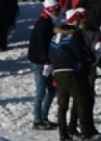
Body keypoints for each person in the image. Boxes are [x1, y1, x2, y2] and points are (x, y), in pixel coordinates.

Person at [51, 8, 99, 141]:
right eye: (78, 19)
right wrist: (90, 56)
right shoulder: (74, 34)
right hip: (70, 71)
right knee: (82, 99)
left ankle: (63, 132)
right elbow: (80, 53)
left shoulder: (57, 34)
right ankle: (85, 131)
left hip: (57, 71)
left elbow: (51, 51)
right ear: (74, 20)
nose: (81, 21)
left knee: (63, 103)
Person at [26, 0, 60, 129]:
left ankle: (44, 117)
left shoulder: (49, 22)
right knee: (41, 91)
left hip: (47, 62)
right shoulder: (43, 24)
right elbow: (41, 44)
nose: (57, 13)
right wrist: (45, 60)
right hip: (40, 62)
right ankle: (37, 119)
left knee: (51, 90)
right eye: (55, 10)